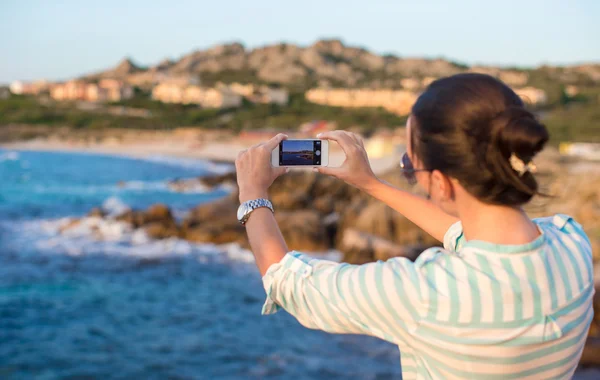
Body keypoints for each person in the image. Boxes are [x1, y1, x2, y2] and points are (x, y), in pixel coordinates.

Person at [234, 73, 594, 379]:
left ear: (440, 182)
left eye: (411, 165)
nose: (411, 173)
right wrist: (370, 183)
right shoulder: (572, 241)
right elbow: (468, 236)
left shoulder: (428, 294)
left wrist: (252, 192)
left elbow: (288, 283)